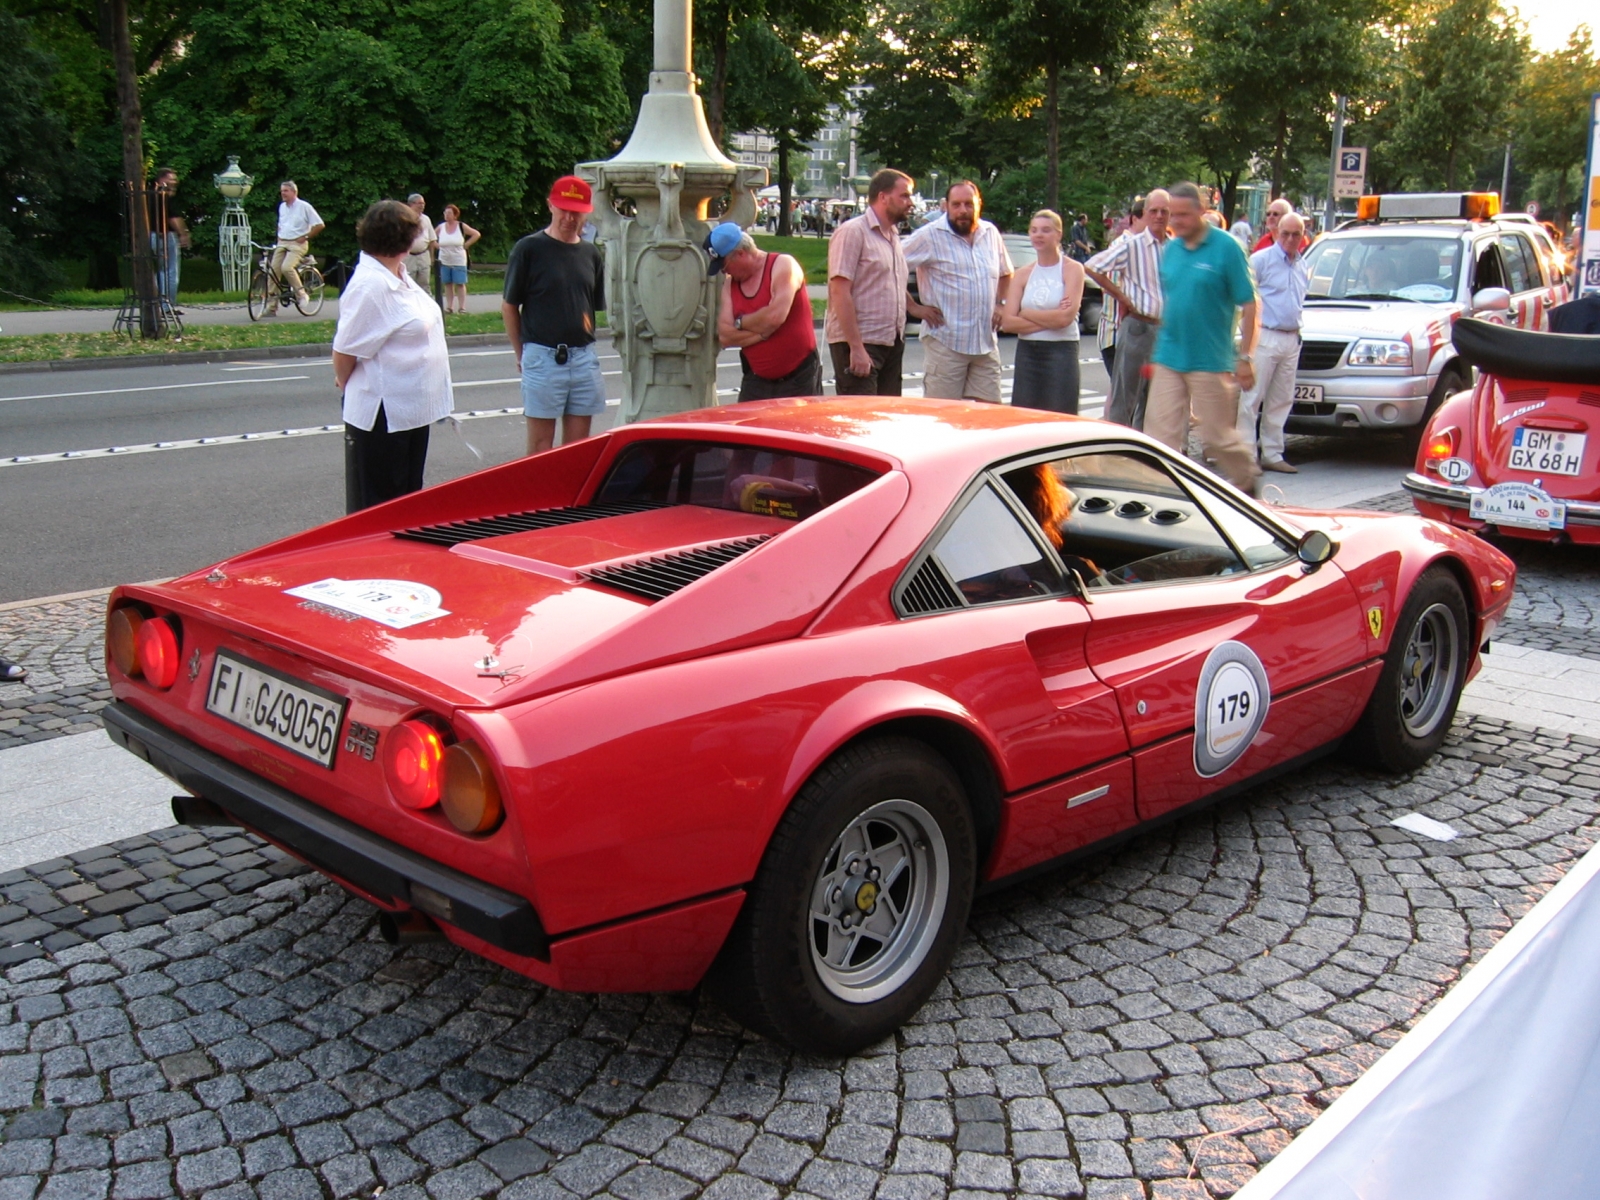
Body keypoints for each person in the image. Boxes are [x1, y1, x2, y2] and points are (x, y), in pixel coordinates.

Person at [333, 200, 454, 512]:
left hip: (409, 409)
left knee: (407, 499)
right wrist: (345, 383)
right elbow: (345, 350)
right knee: (383, 504)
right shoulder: (370, 284)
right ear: (405, 239)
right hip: (384, 413)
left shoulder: (397, 274)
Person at [1145, 182, 1260, 494]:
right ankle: (1165, 493)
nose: (1176, 221)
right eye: (1172, 215)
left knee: (1216, 436)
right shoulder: (1172, 250)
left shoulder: (1226, 248)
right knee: (1159, 434)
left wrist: (1245, 357)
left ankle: (1247, 479)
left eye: (1183, 214)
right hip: (1170, 355)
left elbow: (1249, 303)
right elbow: (1175, 301)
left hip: (1209, 358)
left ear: (1200, 211)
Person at [502, 175, 607, 456]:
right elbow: (510, 306)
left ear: (587, 212)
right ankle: (538, 500)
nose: (569, 218)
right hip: (543, 355)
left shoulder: (590, 254)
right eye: (563, 209)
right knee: (540, 449)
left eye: (577, 212)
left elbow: (589, 306)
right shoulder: (529, 249)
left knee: (576, 449)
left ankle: (568, 502)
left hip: (583, 358)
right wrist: (521, 353)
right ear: (550, 206)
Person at [903, 180, 1015, 402]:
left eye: (968, 204)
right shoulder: (929, 235)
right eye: (956, 205)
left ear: (979, 204)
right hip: (946, 343)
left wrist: (1000, 305)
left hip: (985, 344)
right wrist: (914, 308)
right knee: (944, 420)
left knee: (991, 419)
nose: (963, 211)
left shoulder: (990, 233)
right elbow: (889, 267)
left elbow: (1005, 272)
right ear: (946, 206)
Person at [826, 169, 934, 395]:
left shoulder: (893, 235)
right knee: (860, 422)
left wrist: (914, 307)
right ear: (883, 197)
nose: (910, 202)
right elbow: (839, 291)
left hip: (891, 341)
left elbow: (891, 279)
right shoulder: (853, 232)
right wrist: (855, 347)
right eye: (904, 195)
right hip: (861, 342)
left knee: (886, 418)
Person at [1086, 188, 1170, 429]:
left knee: (1154, 400)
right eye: (1153, 211)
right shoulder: (1133, 246)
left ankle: (1145, 450)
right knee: (1125, 395)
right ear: (1144, 213)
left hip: (1164, 329)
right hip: (1138, 325)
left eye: (1164, 211)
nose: (1159, 216)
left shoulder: (1174, 248)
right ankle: (1115, 452)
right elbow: (1092, 267)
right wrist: (1120, 296)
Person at [709, 224, 823, 400]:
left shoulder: (783, 265)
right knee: (748, 427)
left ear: (741, 254)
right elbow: (725, 336)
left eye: (725, 266)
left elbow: (775, 317)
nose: (724, 272)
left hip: (799, 378)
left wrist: (739, 323)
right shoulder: (730, 285)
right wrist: (763, 334)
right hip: (756, 380)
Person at [1238, 212, 1310, 474]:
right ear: (1276, 233)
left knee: (1281, 399)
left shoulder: (1302, 264)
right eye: (1286, 234)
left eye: (1296, 234)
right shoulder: (1261, 260)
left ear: (1303, 236)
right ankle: (1246, 456)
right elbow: (1243, 298)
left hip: (1291, 337)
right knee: (1252, 398)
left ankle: (1272, 452)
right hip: (1265, 334)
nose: (1290, 239)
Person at [1000, 210, 1084, 413]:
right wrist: (1051, 318)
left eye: (1046, 230)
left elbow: (1065, 318)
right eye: (1034, 230)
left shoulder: (1072, 269)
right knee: (1025, 415)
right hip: (1028, 352)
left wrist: (1026, 313)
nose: (1038, 235)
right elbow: (1008, 323)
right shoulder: (1022, 275)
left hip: (1061, 351)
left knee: (1061, 415)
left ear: (1058, 234)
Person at [1095, 196, 1145, 378]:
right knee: (1125, 396)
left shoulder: (1148, 247)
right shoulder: (1123, 246)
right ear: (1135, 219)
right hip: (1118, 335)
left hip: (1137, 336)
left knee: (1124, 396)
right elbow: (1111, 285)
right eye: (1151, 215)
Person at [266, 181, 324, 316]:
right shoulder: (282, 207)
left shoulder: (304, 207)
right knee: (273, 271)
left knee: (287, 267)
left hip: (298, 243)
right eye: (282, 191)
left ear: (294, 192)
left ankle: (301, 294)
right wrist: (279, 236)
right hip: (283, 242)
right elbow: (282, 224)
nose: (282, 193)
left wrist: (306, 237)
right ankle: (271, 306)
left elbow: (319, 224)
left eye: (285, 191)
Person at [151, 168, 189, 312]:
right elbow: (173, 218)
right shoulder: (165, 197)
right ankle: (167, 306)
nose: (174, 182)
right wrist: (183, 234)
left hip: (152, 236)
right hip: (165, 236)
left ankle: (156, 304)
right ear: (161, 180)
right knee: (170, 271)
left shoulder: (149, 195)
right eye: (171, 179)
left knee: (160, 271)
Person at [436, 204, 481, 315]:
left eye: (449, 213)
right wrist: (437, 246)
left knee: (460, 283)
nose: (446, 215)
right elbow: (431, 236)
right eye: (445, 213)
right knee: (447, 283)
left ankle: (462, 307)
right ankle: (449, 307)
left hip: (458, 259)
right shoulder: (441, 227)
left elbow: (476, 234)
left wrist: (467, 244)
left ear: (455, 215)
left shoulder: (461, 226)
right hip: (444, 260)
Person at [405, 194, 436, 293]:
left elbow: (432, 239)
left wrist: (431, 257)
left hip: (423, 255)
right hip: (408, 255)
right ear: (411, 204)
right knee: (408, 282)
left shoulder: (426, 219)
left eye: (423, 203)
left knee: (424, 282)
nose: (422, 206)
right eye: (419, 203)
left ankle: (426, 306)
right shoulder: (404, 218)